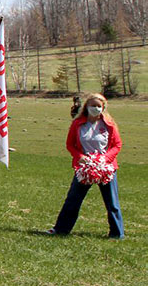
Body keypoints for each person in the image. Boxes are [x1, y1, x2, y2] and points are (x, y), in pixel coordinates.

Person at [47, 94, 123, 238]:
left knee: (112, 202)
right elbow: (70, 145)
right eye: (93, 105)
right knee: (73, 199)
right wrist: (80, 157)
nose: (96, 108)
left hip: (106, 168)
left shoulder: (109, 125)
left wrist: (105, 159)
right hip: (84, 167)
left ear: (103, 108)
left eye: (99, 106)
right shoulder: (78, 124)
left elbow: (117, 145)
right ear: (86, 107)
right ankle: (61, 229)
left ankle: (117, 233)